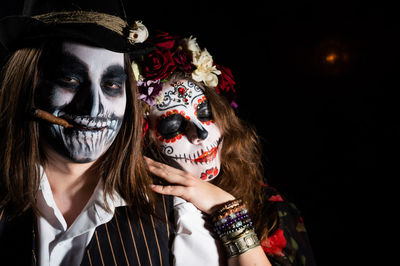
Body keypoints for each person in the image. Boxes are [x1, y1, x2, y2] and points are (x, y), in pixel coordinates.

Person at [0, 1, 174, 265]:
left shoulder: (175, 207)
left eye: (112, 84)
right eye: (70, 80)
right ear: (28, 84)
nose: (94, 106)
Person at [133, 31, 316, 265]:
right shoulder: (137, 218)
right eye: (172, 125)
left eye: (206, 113)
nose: (201, 132)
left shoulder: (270, 209)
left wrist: (226, 210)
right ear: (145, 139)